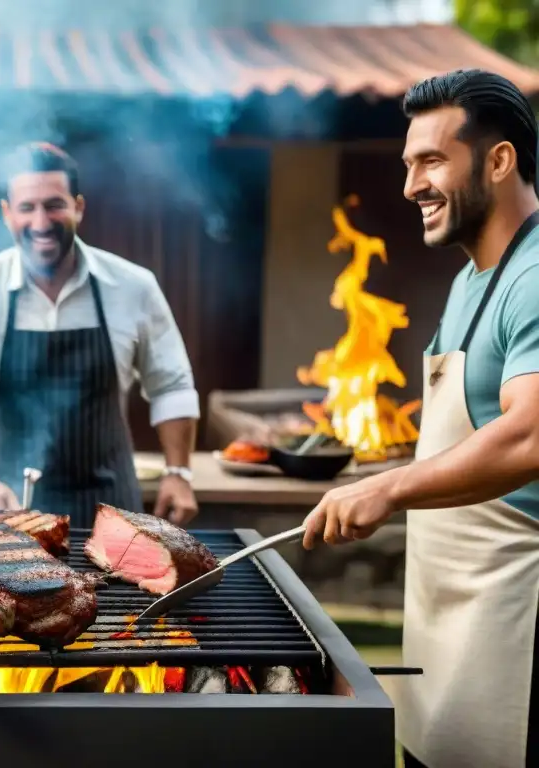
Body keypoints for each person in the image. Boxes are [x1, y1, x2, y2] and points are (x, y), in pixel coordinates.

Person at [301, 69, 539, 768]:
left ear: (498, 161)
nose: (411, 186)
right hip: (446, 624)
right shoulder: (471, 281)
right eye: (408, 165)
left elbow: (530, 435)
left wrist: (390, 488)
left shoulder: (534, 276)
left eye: (431, 160)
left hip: (512, 622)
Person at [0, 142, 199, 527]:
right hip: (10, 510)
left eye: (54, 205)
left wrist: (179, 473)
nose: (41, 223)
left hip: (113, 510)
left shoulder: (132, 286)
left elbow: (172, 386)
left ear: (78, 207)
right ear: (7, 214)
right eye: (27, 207)